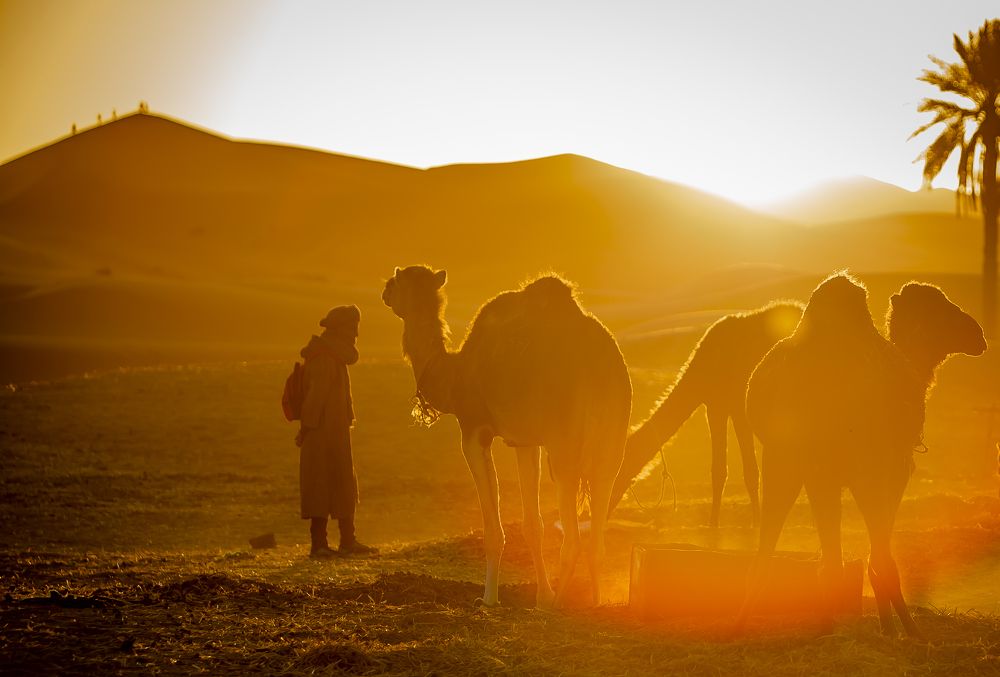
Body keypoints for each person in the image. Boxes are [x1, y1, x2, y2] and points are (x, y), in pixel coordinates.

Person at [296, 304, 377, 558]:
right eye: (352, 328)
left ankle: (346, 541)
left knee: (339, 483)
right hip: (322, 433)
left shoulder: (330, 355)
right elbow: (316, 399)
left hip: (333, 432)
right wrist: (306, 429)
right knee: (322, 484)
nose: (355, 334)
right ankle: (320, 544)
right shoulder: (325, 358)